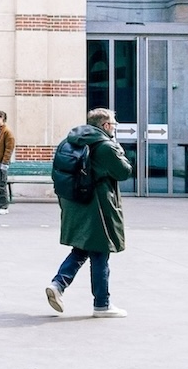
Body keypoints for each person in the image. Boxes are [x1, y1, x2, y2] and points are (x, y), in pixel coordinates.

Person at [44, 109, 131, 318]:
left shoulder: (71, 141)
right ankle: (102, 304)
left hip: (76, 203)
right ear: (105, 125)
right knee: (100, 251)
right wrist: (117, 147)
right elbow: (124, 171)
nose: (115, 127)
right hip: (97, 205)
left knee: (82, 248)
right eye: (113, 123)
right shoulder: (105, 146)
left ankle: (58, 284)